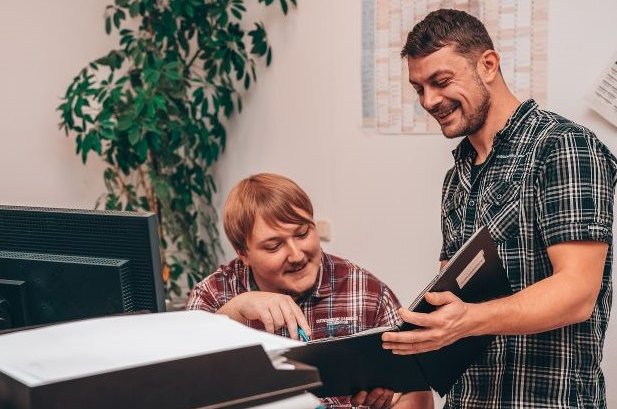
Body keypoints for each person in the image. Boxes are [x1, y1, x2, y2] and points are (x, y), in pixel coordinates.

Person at [381, 8, 617, 409]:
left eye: (440, 81)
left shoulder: (564, 147)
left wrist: (469, 320)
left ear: (487, 64)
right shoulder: (455, 179)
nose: (429, 100)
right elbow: (451, 295)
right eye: (419, 88)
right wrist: (397, 359)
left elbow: (578, 292)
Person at [187, 173, 433, 409]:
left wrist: (390, 399)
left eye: (303, 233)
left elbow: (418, 390)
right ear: (243, 254)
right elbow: (183, 380)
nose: (296, 255)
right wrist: (234, 312)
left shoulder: (365, 290)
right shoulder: (214, 293)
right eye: (274, 246)